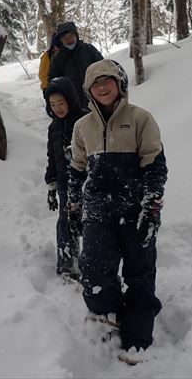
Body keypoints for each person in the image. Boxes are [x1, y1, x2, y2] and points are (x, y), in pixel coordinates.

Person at [67, 59, 167, 365]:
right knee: (94, 268)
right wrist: (74, 205)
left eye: (107, 80)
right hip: (97, 210)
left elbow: (154, 163)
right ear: (89, 90)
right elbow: (77, 169)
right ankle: (107, 313)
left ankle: (137, 335)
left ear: (119, 83)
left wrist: (151, 206)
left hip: (135, 209)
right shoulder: (82, 126)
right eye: (95, 83)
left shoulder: (140, 119)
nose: (102, 87)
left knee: (139, 273)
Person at [44, 76, 89, 280]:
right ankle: (67, 264)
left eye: (61, 103)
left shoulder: (86, 120)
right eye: (53, 104)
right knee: (65, 222)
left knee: (88, 223)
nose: (58, 108)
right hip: (64, 184)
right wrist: (52, 186)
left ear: (70, 99)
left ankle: (91, 264)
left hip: (87, 183)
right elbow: (52, 158)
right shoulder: (53, 127)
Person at [47, 21, 103, 108]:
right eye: (65, 38)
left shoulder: (89, 50)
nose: (69, 40)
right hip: (74, 105)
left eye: (71, 36)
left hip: (97, 99)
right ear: (61, 40)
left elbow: (104, 69)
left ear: (76, 35)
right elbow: (53, 82)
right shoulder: (58, 59)